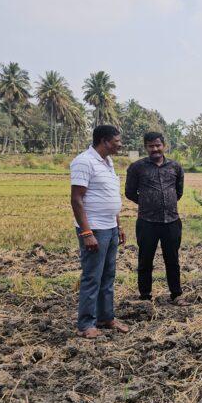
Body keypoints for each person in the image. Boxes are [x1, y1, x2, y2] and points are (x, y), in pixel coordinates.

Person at [69, 125, 129, 339]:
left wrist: (118, 225)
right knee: (92, 277)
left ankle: (106, 317)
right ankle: (86, 324)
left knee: (108, 276)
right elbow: (76, 199)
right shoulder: (84, 162)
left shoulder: (108, 162)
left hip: (110, 228)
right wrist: (86, 233)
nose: (120, 144)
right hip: (94, 228)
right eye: (117, 141)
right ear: (104, 141)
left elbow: (109, 197)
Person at [125, 132, 189, 306]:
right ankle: (145, 296)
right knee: (145, 260)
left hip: (171, 221)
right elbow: (129, 192)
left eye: (158, 145)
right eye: (151, 146)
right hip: (147, 222)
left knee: (172, 260)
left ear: (164, 146)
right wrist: (147, 202)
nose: (155, 149)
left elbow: (179, 191)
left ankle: (176, 294)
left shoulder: (175, 167)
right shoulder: (137, 167)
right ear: (145, 147)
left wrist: (166, 202)